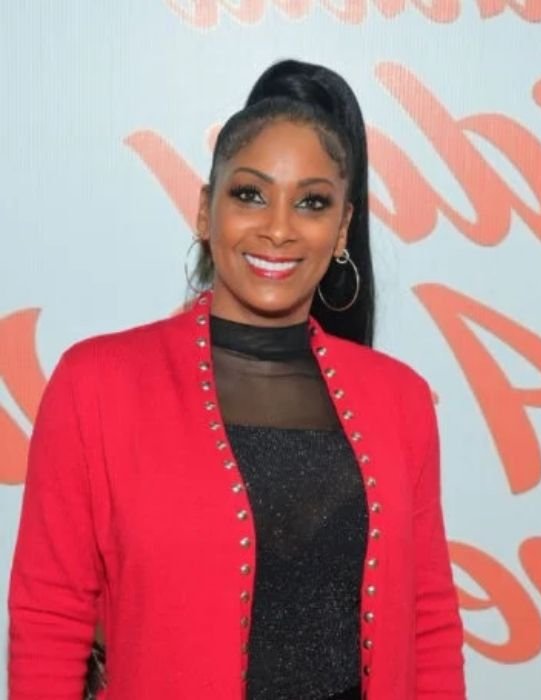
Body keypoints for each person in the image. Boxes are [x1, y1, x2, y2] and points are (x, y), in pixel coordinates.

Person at [8, 60, 466, 699]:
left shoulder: (400, 400)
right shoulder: (97, 385)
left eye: (311, 202)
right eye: (250, 194)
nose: (277, 228)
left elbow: (429, 624)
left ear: (341, 228)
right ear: (206, 210)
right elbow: (51, 618)